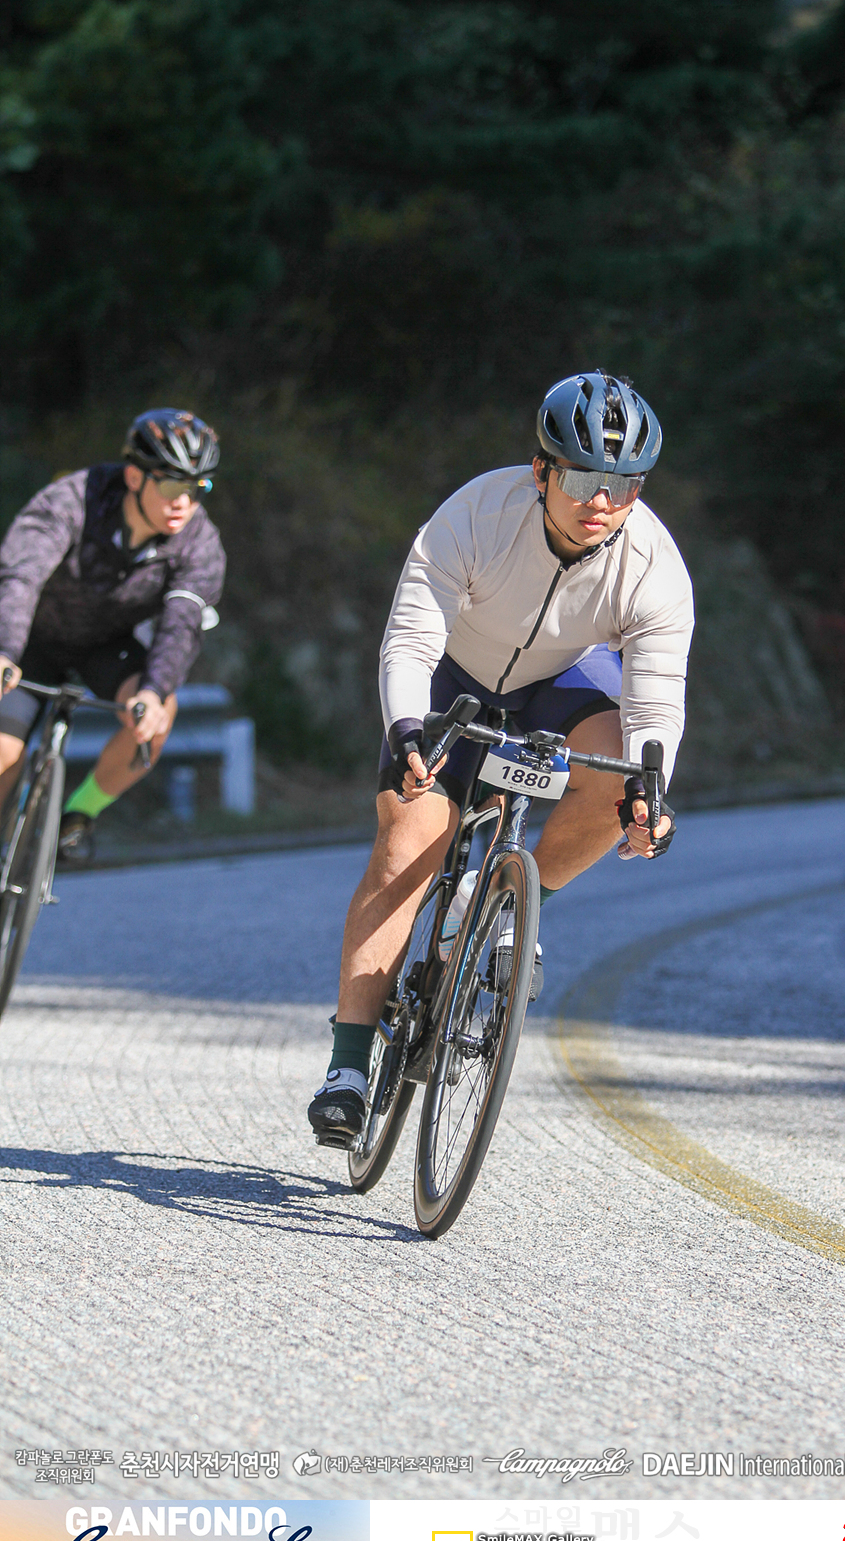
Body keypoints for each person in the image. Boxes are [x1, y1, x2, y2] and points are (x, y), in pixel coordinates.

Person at [308, 370, 695, 1143]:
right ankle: (347, 1066)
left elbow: (654, 702)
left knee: (619, 778)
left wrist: (650, 794)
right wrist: (406, 728)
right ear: (541, 471)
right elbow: (412, 637)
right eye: (581, 478)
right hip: (454, 677)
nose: (602, 501)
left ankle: (515, 904)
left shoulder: (654, 563)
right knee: (407, 846)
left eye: (625, 484)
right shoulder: (476, 513)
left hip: (561, 681)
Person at [0, 409, 225, 858]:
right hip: (32, 637)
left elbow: (180, 624)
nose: (184, 502)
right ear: (135, 477)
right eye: (172, 486)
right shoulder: (73, 500)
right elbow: (21, 578)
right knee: (3, 752)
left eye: (198, 488)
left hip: (107, 644)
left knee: (157, 716)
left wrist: (155, 691)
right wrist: (4, 649)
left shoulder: (199, 543)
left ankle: (79, 813)